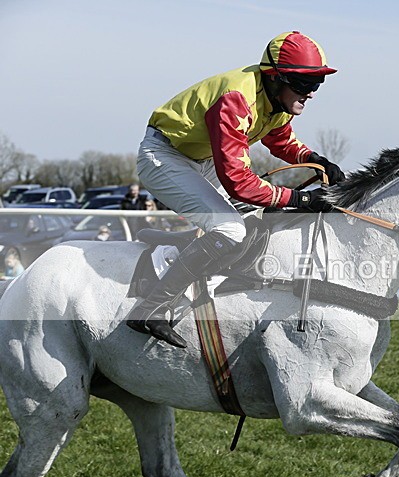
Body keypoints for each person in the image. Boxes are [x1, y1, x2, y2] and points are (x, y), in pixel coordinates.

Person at [127, 31, 345, 348]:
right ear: (276, 77)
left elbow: (280, 140)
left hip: (200, 160)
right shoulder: (237, 98)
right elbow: (239, 182)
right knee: (230, 229)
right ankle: (149, 310)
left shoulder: (274, 99)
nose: (311, 93)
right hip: (164, 156)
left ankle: (180, 249)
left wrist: (315, 159)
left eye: (317, 84)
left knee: (249, 218)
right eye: (304, 84)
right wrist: (299, 199)